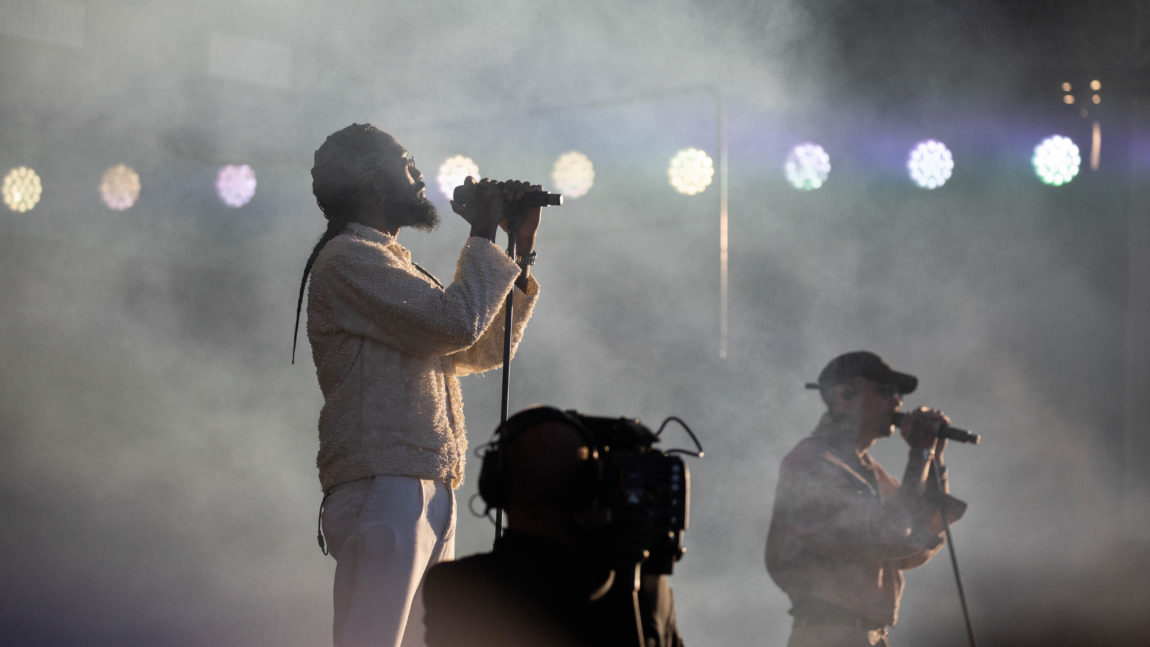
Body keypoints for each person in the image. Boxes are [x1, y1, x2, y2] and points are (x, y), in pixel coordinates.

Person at [294, 123, 542, 647]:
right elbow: (457, 323)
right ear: (371, 184)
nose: (420, 177)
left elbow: (477, 349)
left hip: (422, 484)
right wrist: (480, 232)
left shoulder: (386, 263)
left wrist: (519, 252)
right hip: (386, 486)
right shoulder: (348, 259)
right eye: (407, 166)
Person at [422, 406, 685, 647]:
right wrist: (628, 574)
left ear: (495, 486)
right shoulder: (643, 592)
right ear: (591, 491)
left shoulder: (457, 588)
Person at [765, 351, 967, 647]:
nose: (897, 401)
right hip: (831, 633)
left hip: (867, 636)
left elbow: (912, 546)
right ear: (846, 395)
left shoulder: (873, 474)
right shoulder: (811, 463)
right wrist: (918, 455)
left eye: (897, 393)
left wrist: (933, 457)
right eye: (886, 391)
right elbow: (887, 534)